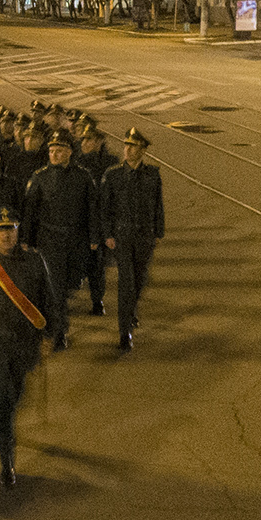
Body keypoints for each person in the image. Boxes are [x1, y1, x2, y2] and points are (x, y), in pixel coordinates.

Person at [0, 207, 61, 487]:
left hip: (25, 342)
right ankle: (7, 461)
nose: (5, 235)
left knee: (16, 393)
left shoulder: (34, 260)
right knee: (2, 398)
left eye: (10, 229)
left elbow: (48, 298)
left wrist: (49, 336)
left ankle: (7, 431)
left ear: (17, 231)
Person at [22, 132, 100, 343]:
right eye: (51, 151)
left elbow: (92, 209)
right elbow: (30, 211)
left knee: (68, 285)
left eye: (59, 151)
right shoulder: (40, 177)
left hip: (75, 241)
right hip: (50, 240)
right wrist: (26, 240)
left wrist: (94, 237)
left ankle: (58, 324)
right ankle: (59, 332)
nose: (54, 155)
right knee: (56, 289)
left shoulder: (83, 177)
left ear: (69, 152)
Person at [100, 128, 165, 352]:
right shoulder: (113, 175)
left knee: (139, 279)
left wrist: (158, 232)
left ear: (143, 150)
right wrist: (107, 234)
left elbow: (158, 205)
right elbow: (105, 207)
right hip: (122, 236)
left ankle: (131, 310)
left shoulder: (152, 175)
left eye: (132, 146)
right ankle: (124, 332)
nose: (126, 150)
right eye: (126, 145)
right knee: (126, 283)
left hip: (144, 236)